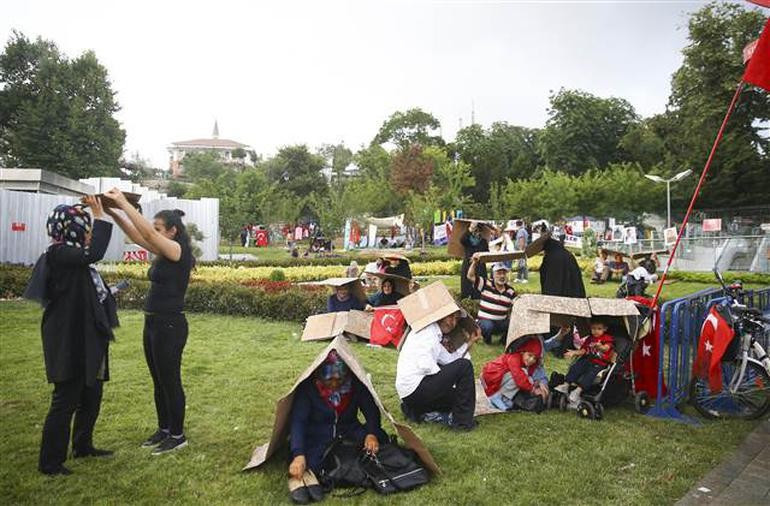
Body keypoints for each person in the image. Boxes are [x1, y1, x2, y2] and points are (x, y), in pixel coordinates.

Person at [103, 188, 194, 455]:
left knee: (170, 380)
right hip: (153, 323)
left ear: (172, 231)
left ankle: (177, 435)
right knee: (158, 380)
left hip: (170, 325)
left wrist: (122, 201)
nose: (153, 231)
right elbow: (136, 235)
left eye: (158, 227)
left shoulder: (177, 251)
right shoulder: (162, 251)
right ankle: (164, 429)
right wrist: (113, 211)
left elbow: (148, 234)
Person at [34, 198, 118, 476]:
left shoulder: (71, 257)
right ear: (72, 229)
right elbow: (92, 254)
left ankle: (83, 445)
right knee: (66, 398)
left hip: (88, 335)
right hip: (69, 339)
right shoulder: (59, 254)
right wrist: (99, 214)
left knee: (92, 393)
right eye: (86, 228)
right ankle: (50, 462)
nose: (89, 233)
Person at [288, 351, 386, 504]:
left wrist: (372, 433)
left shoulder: (355, 385)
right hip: (317, 434)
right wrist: (298, 454)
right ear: (319, 375)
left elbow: (371, 410)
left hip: (348, 429)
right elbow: (298, 422)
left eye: (339, 379)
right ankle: (305, 473)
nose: (334, 384)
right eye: (329, 379)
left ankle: (319, 469)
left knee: (381, 439)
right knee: (311, 459)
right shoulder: (308, 388)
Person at [396, 310, 481, 431]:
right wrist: (444, 380)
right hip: (415, 389)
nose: (453, 322)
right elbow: (425, 364)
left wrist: (470, 342)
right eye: (450, 317)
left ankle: (415, 411)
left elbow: (450, 360)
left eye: (456, 319)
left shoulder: (435, 334)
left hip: (411, 393)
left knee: (459, 397)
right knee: (465, 366)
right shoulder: (427, 333)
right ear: (440, 316)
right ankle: (462, 424)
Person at [553, 319, 615, 408]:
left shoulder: (607, 338)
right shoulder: (590, 338)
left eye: (599, 329)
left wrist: (599, 346)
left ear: (605, 329)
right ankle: (566, 385)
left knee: (590, 374)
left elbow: (606, 348)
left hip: (600, 363)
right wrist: (574, 352)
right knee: (576, 367)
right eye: (593, 328)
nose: (596, 331)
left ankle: (578, 391)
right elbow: (583, 350)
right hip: (589, 360)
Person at [481, 336, 549, 413]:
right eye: (530, 355)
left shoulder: (524, 361)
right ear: (523, 352)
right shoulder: (514, 358)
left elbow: (528, 378)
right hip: (490, 379)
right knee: (523, 374)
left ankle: (504, 398)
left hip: (497, 379)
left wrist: (538, 383)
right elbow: (519, 378)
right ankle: (496, 396)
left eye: (534, 358)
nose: (531, 360)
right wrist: (532, 389)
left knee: (527, 378)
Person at [466, 257, 516, 345]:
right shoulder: (486, 284)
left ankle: (503, 341)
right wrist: (474, 263)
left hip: (500, 322)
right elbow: (470, 276)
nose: (502, 276)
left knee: (514, 323)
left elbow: (518, 304)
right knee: (488, 326)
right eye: (499, 273)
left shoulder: (510, 291)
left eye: (504, 273)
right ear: (493, 274)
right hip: (484, 321)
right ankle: (487, 341)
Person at [539, 233, 586, 299]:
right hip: (572, 294)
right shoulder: (569, 255)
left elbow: (544, 274)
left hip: (553, 295)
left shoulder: (550, 257)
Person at [460, 223, 489, 299]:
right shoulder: (467, 240)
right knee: (467, 287)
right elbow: (462, 239)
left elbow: (487, 253)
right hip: (468, 265)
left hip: (480, 267)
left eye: (479, 231)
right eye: (476, 231)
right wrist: (472, 227)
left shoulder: (483, 241)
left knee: (479, 285)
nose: (478, 233)